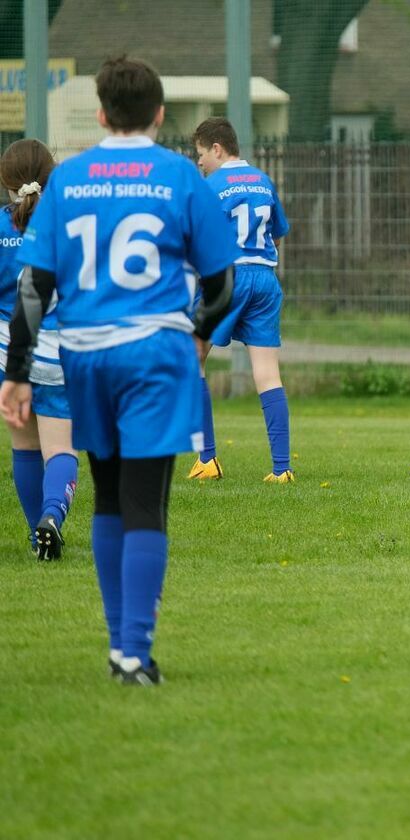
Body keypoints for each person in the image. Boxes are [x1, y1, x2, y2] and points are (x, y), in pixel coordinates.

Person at [0, 55, 238, 686]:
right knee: (145, 505)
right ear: (160, 115)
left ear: (101, 114)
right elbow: (222, 284)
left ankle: (118, 646)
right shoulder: (180, 177)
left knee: (108, 500)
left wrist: (17, 370)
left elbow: (33, 287)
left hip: (86, 357)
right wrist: (199, 336)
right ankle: (133, 651)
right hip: (154, 355)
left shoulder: (69, 180)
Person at [185, 116, 293, 483]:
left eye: (201, 154)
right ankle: (282, 469)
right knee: (266, 372)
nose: (199, 162)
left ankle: (208, 460)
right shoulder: (263, 181)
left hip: (225, 279)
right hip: (264, 279)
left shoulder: (211, 187)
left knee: (192, 356)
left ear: (217, 148)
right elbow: (276, 234)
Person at [1, 139, 78, 559]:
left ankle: (37, 538)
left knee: (24, 447)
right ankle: (52, 516)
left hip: (8, 353)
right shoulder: (69, 225)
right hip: (56, 351)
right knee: (60, 448)